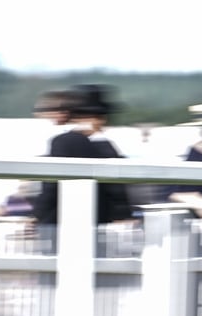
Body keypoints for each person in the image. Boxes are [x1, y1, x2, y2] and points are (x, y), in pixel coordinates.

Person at [32, 84, 135, 240]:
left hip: (62, 220)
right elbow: (117, 189)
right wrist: (124, 214)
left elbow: (51, 185)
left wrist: (37, 215)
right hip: (98, 220)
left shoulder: (63, 142)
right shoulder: (107, 146)